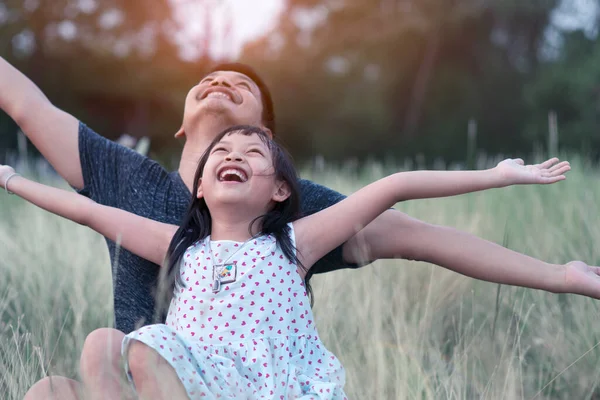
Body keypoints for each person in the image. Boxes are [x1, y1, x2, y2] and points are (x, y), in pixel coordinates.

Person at [0, 57, 596, 399]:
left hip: (248, 387)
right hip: (144, 380)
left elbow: (420, 235)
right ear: (182, 128)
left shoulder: (291, 212)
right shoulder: (122, 176)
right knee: (50, 391)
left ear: (270, 143)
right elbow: (25, 103)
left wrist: (561, 275)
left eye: (241, 86)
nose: (218, 81)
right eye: (206, 79)